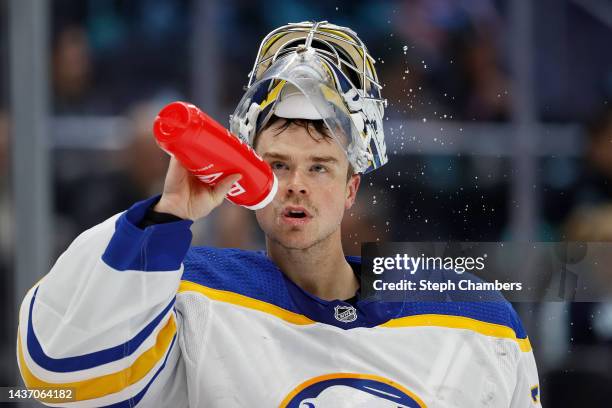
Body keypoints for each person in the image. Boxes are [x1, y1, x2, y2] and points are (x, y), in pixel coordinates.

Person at [17, 21, 541, 407]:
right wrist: (169, 215)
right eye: (277, 164)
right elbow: (56, 369)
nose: (296, 186)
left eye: (319, 168)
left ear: (351, 187)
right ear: (247, 178)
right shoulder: (184, 298)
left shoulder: (474, 320)